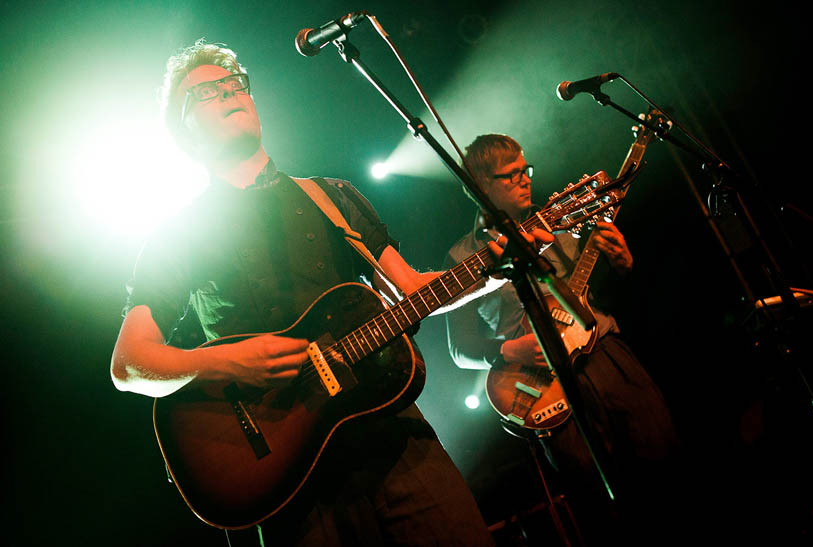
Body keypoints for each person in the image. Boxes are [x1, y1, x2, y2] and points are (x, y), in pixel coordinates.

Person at [109, 42, 549, 547]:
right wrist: (228, 362)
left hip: (392, 435)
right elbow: (129, 364)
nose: (229, 92)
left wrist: (494, 268)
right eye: (207, 91)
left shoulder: (331, 196)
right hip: (286, 480)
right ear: (181, 128)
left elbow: (413, 289)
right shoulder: (176, 234)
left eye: (235, 84)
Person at [443, 134, 681, 544]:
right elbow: (460, 348)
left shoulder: (563, 220)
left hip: (606, 356)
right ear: (482, 186)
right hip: (544, 388)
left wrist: (624, 264)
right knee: (597, 499)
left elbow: (611, 294)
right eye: (511, 175)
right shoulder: (462, 257)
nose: (525, 180)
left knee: (663, 458)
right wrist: (508, 350)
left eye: (525, 170)